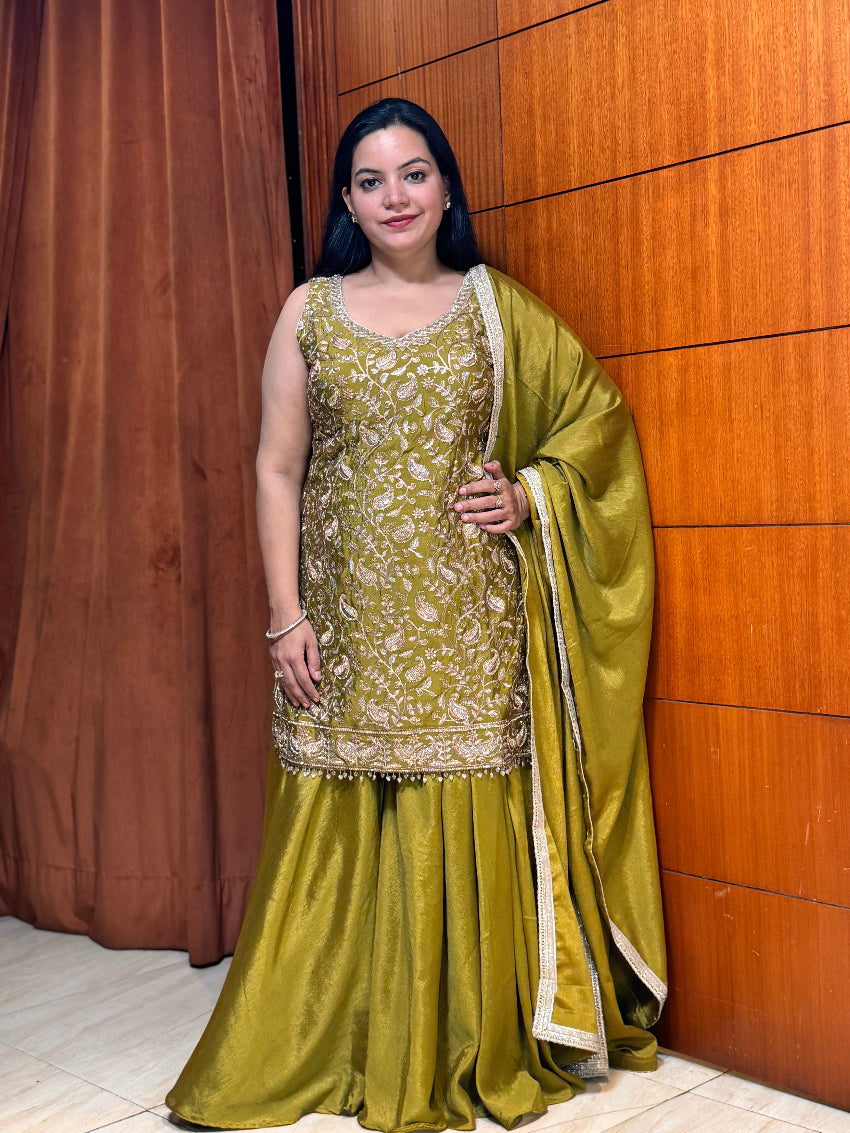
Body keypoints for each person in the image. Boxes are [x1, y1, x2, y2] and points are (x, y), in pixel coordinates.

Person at [166, 98, 666, 1132]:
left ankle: (466, 1043)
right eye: (368, 179)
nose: (393, 197)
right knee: (338, 806)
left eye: (413, 173)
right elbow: (275, 465)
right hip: (342, 621)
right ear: (346, 199)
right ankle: (324, 1037)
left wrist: (529, 494)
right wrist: (282, 613)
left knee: (463, 803)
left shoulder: (497, 308)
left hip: (469, 623)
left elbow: (596, 425)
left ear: (445, 187)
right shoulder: (308, 310)